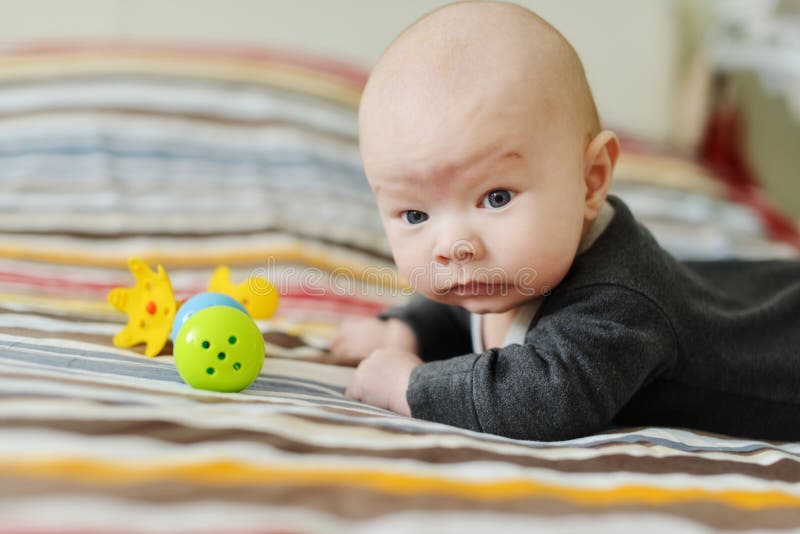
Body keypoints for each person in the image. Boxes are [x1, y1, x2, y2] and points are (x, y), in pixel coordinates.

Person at [330, 0, 800, 442]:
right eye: (416, 214)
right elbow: (462, 306)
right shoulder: (506, 271)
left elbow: (547, 397)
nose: (454, 246)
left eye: (496, 198)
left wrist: (410, 387)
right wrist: (406, 328)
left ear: (591, 180)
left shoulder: (620, 304)